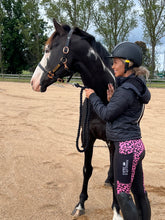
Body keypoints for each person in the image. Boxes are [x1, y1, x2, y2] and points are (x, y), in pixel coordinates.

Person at [85, 42, 151, 220]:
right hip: (135, 145)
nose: (112, 66)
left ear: (128, 64)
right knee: (139, 192)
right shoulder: (135, 86)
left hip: (125, 148)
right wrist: (113, 98)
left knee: (122, 194)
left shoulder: (126, 90)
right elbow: (123, 109)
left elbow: (106, 114)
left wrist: (92, 96)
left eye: (115, 62)